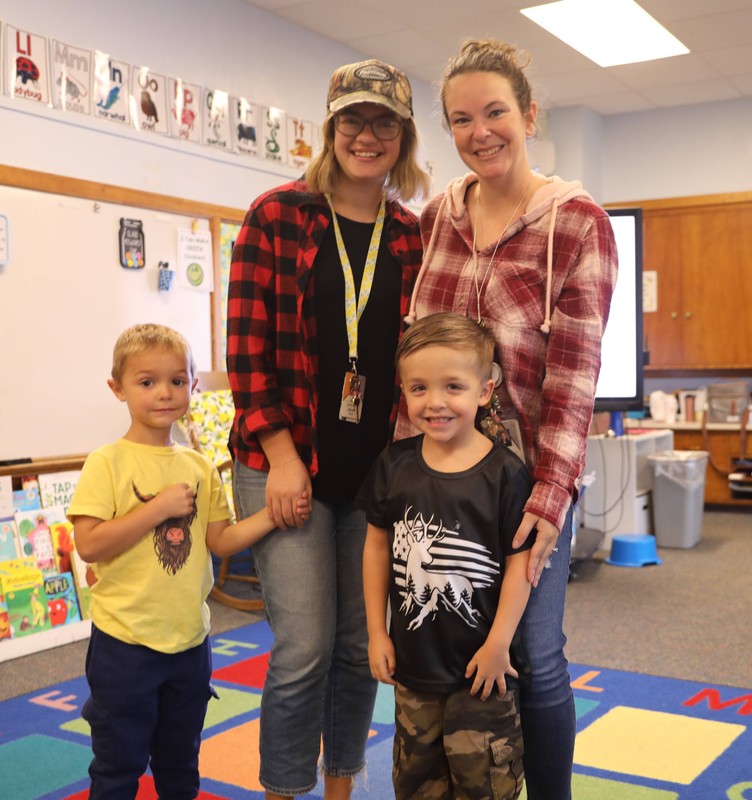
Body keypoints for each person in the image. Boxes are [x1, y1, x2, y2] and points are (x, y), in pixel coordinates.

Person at [397, 39, 618, 800]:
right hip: (436, 479)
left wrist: (549, 502)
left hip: (523, 483)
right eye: (460, 119)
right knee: (446, 637)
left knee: (534, 652)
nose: (479, 131)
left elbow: (574, 381)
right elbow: (415, 356)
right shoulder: (436, 220)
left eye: (495, 111)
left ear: (529, 114)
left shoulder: (576, 223)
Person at [226, 59, 430, 799]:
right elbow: (246, 355)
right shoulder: (276, 215)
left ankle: (341, 788)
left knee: (356, 648)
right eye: (353, 120)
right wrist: (281, 457)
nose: (367, 136)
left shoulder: (410, 235)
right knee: (305, 648)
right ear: (330, 128)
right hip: (286, 463)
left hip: (371, 473)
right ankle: (284, 791)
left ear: (402, 137)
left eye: (384, 123)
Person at [68, 323, 309, 799]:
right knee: (119, 763)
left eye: (177, 381)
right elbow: (90, 544)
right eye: (147, 382)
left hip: (189, 644)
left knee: (181, 764)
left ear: (193, 386)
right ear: (117, 388)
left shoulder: (199, 466)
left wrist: (273, 516)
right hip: (125, 645)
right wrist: (156, 509)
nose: (164, 393)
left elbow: (221, 541)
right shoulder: (107, 462)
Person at [361, 312, 535, 799]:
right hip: (414, 672)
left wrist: (499, 643)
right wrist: (377, 632)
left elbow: (521, 560)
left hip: (483, 674)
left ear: (484, 390)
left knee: (483, 786)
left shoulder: (505, 473)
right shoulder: (393, 465)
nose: (434, 402)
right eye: (418, 388)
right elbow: (376, 546)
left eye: (452, 387)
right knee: (416, 785)